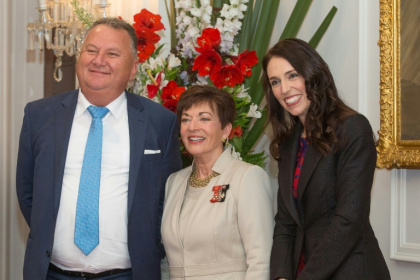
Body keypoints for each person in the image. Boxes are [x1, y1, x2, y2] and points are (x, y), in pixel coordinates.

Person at [16, 17, 182, 280]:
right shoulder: (39, 115)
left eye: (112, 53)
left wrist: (150, 249)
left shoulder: (160, 122)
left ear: (133, 69)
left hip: (128, 275)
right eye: (91, 50)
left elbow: (169, 199)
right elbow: (27, 194)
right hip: (51, 274)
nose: (98, 60)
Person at [262, 38, 390, 280]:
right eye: (275, 82)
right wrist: (280, 275)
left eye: (292, 75)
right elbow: (285, 223)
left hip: (349, 270)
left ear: (313, 74)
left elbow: (348, 221)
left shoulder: (352, 128)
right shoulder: (289, 143)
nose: (285, 89)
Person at [161, 85, 275, 279]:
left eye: (204, 118)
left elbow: (261, 259)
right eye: (186, 119)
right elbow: (167, 262)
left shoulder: (247, 177)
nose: (192, 127)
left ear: (226, 130)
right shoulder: (174, 182)